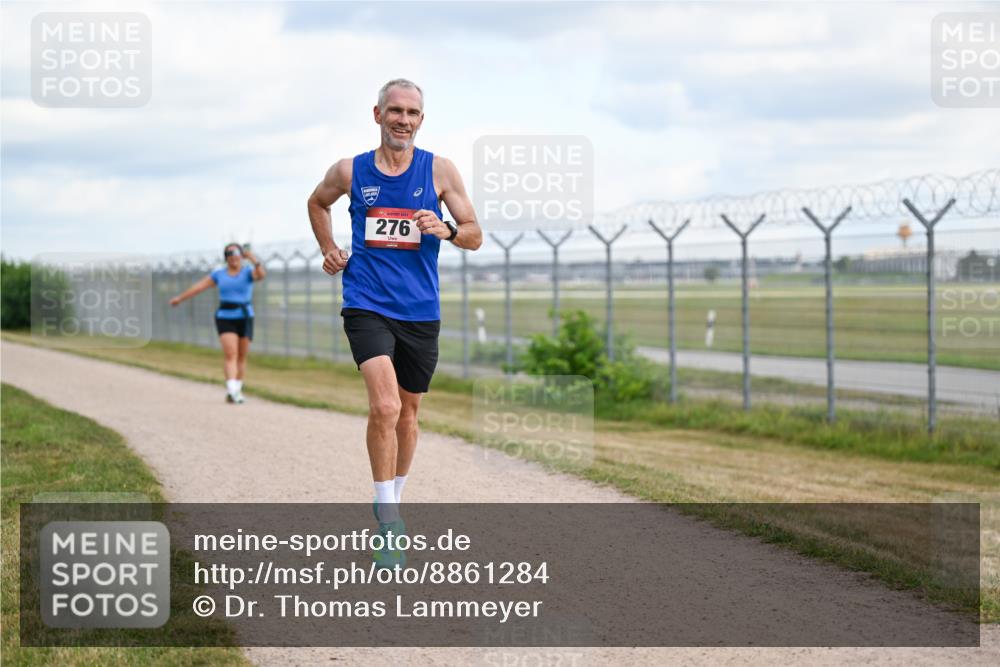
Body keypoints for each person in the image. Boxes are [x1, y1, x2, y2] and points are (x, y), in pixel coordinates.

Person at [307, 78, 482, 567]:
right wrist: (329, 248)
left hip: (420, 310)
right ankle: (389, 521)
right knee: (384, 406)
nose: (403, 120)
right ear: (378, 114)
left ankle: (392, 498)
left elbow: (475, 235)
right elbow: (317, 202)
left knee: (408, 415)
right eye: (396, 110)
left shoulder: (439, 170)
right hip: (366, 301)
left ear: (421, 120)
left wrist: (446, 229)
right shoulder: (350, 170)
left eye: (412, 113)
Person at [169, 243, 266, 403]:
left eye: (236, 253)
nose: (233, 257)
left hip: (245, 316)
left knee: (242, 356)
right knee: (231, 353)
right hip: (225, 316)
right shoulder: (219, 275)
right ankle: (232, 390)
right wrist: (180, 299)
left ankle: (237, 390)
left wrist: (253, 259)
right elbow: (199, 287)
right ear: (225, 257)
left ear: (241, 255)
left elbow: (261, 275)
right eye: (229, 254)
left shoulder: (248, 272)